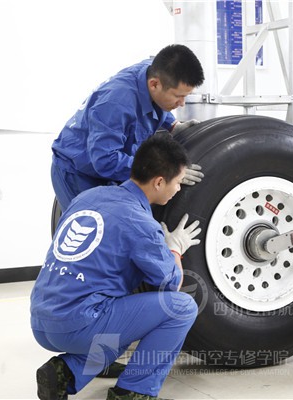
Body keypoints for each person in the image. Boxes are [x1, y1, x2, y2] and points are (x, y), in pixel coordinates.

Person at [32, 134, 202, 399]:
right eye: (178, 182)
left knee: (122, 322)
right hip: (77, 325)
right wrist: (175, 247)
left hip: (41, 319)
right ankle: (133, 392)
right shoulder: (140, 222)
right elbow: (171, 284)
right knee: (181, 308)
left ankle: (65, 372)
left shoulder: (87, 197)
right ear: (159, 182)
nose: (179, 189)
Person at [51, 44, 205, 212]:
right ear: (154, 84)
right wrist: (165, 171)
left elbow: (156, 101)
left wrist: (173, 125)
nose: (182, 104)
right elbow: (105, 160)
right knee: (99, 224)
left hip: (109, 162)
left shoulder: (153, 71)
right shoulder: (115, 104)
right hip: (78, 172)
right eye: (178, 96)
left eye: (186, 96)